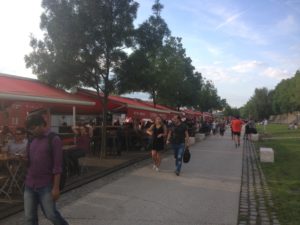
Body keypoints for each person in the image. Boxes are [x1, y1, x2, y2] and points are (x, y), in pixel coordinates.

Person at [24, 114, 68, 225]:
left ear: (41, 125)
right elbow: (29, 161)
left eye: (33, 128)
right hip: (29, 184)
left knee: (51, 214)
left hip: (46, 185)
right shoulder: (31, 140)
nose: (31, 131)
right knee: (29, 217)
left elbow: (58, 166)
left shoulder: (54, 139)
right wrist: (24, 159)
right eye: (29, 129)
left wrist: (56, 188)